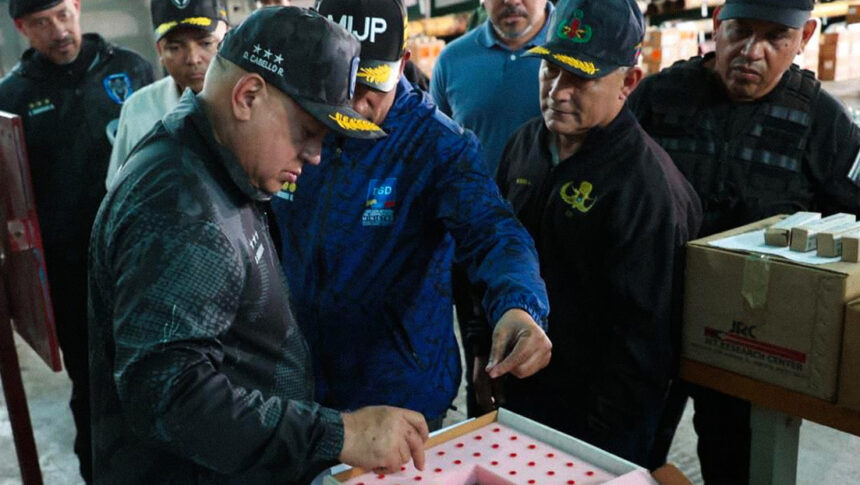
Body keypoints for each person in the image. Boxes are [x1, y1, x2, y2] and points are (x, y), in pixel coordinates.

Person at [88, 8, 428, 483]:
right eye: (306, 133)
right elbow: (170, 395)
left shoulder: (214, 163)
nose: (314, 155)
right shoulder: (181, 207)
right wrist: (338, 434)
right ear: (247, 96)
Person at [271, 0, 552, 432]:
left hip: (398, 398)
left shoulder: (438, 146)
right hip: (297, 387)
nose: (354, 102)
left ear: (401, 64)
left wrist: (519, 304)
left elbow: (494, 232)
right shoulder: (291, 123)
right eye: (338, 82)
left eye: (370, 84)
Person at [629, 0, 860, 481]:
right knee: (623, 461)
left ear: (805, 37)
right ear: (717, 24)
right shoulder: (656, 98)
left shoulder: (821, 121)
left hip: (746, 344)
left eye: (776, 37)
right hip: (647, 328)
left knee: (736, 467)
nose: (752, 51)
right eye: (739, 31)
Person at [490, 0, 702, 466]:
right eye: (550, 69)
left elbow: (642, 351)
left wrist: (600, 455)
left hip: (592, 426)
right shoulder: (524, 145)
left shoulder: (647, 190)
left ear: (628, 82)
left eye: (580, 78)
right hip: (517, 401)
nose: (557, 92)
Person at [0, 0, 153, 480]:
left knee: (158, 374)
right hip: (72, 279)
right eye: (42, 23)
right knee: (92, 386)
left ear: (78, 7)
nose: (59, 30)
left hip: (142, 263)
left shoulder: (131, 69)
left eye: (64, 14)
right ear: (21, 28)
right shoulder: (13, 97)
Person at [105, 0, 229, 189]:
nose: (192, 59)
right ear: (160, 51)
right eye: (175, 48)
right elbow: (119, 189)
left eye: (205, 43)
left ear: (228, 39)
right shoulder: (138, 109)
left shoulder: (254, 101)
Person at [430, 0, 551, 174]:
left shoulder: (578, 52)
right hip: (473, 189)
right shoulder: (451, 60)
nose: (511, 1)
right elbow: (437, 146)